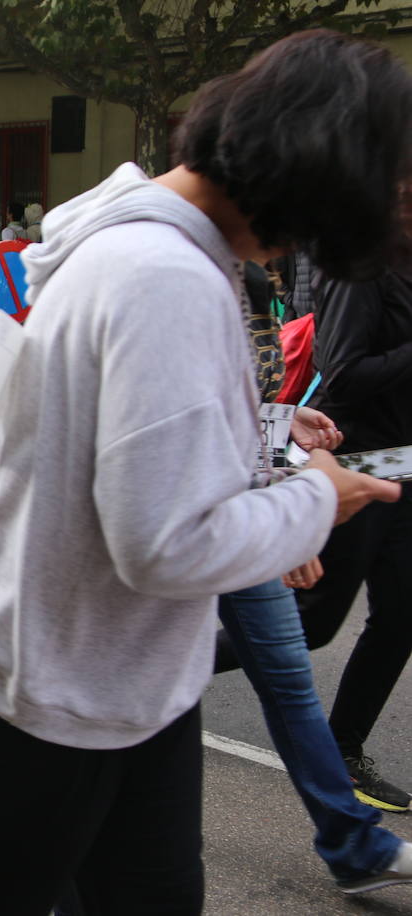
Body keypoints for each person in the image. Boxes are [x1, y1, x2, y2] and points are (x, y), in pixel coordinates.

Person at [0, 31, 412, 914]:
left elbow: (123, 433)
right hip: (38, 689)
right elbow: (163, 543)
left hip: (116, 679)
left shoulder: (134, 237)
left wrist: (270, 438)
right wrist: (318, 496)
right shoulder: (165, 277)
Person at [211, 206, 412, 815]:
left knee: (400, 614)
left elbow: (265, 397)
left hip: (394, 469)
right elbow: (344, 372)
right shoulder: (359, 268)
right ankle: (153, 676)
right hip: (348, 464)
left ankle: (345, 775)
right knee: (310, 625)